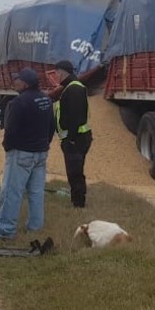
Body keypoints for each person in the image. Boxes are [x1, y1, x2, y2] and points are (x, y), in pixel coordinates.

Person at [0, 67, 55, 239]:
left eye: (18, 80)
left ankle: (7, 230)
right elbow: (51, 125)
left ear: (25, 83)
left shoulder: (18, 102)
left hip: (21, 153)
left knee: (12, 192)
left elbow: (11, 130)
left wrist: (8, 147)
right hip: (41, 153)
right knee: (36, 192)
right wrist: (45, 144)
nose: (15, 82)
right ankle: (35, 227)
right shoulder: (46, 100)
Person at [53, 59, 92, 208]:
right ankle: (77, 199)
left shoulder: (73, 89)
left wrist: (72, 139)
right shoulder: (70, 87)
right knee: (74, 171)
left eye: (56, 73)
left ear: (62, 72)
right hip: (76, 138)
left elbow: (76, 116)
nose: (55, 76)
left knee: (75, 172)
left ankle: (79, 203)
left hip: (76, 139)